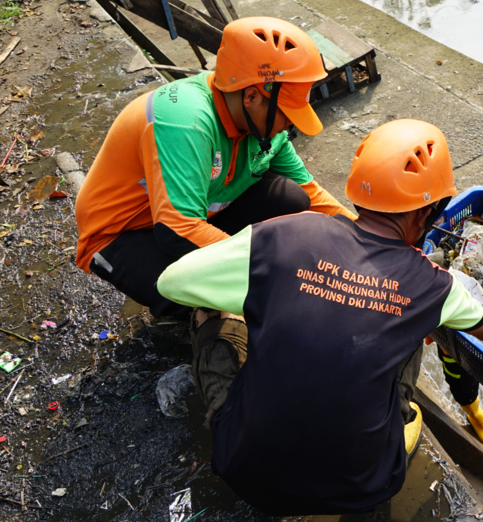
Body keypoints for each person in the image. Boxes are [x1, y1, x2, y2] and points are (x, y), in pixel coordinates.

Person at [155, 118, 483, 515]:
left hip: (246, 476)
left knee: (207, 312)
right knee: (417, 329)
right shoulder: (432, 285)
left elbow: (171, 282)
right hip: (363, 487)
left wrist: (269, 300)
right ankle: (401, 422)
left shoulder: (287, 232)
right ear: (424, 213)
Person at [74, 17, 354, 317]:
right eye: (287, 113)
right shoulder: (186, 121)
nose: (290, 125)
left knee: (291, 198)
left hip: (197, 212)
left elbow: (312, 194)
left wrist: (366, 239)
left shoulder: (264, 126)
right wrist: (270, 270)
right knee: (199, 293)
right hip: (125, 232)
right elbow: (177, 230)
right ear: (251, 96)